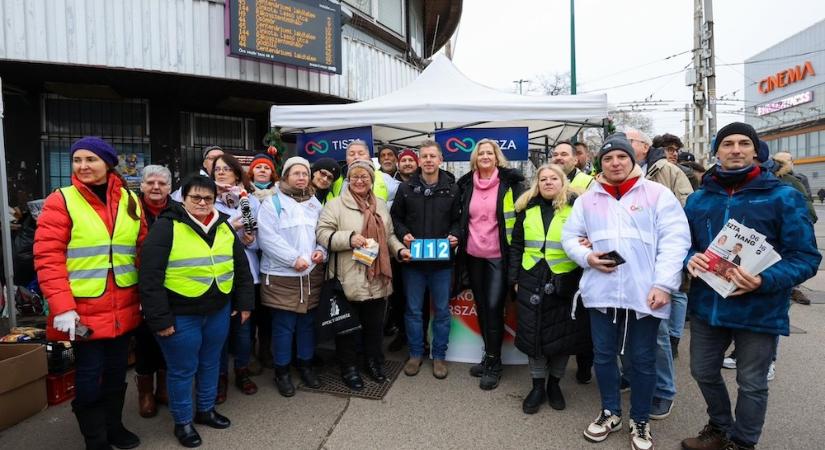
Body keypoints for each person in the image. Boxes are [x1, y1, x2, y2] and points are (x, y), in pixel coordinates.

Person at [681, 122, 820, 450]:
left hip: (760, 308)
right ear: (717, 151)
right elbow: (682, 245)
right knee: (702, 371)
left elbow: (805, 257)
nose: (736, 150)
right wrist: (689, 258)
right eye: (727, 143)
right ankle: (719, 428)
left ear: (756, 151)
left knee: (752, 383)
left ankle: (742, 443)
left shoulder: (783, 197)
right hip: (708, 305)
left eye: (744, 143)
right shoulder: (699, 200)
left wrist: (763, 280)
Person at [562, 134, 690, 450]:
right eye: (608, 159)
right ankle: (610, 412)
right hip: (602, 291)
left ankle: (641, 419)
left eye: (621, 157)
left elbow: (676, 241)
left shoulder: (657, 194)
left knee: (643, 359)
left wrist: (663, 284)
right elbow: (570, 237)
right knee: (604, 356)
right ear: (600, 164)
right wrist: (586, 257)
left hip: (645, 293)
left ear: (632, 160)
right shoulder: (587, 199)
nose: (615, 163)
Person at [34, 136, 147, 449]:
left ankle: (114, 427)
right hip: (81, 311)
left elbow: (140, 253)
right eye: (77, 160)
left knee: (115, 374)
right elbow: (48, 257)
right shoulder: (62, 200)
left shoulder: (130, 200)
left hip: (124, 307)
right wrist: (62, 307)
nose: (83, 166)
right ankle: (95, 439)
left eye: (91, 159)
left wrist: (146, 300)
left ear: (107, 163)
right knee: (87, 379)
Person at [139, 175, 254, 448]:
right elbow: (150, 277)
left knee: (211, 362)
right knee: (182, 370)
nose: (202, 203)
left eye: (208, 198)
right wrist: (159, 319)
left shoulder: (223, 226)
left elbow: (241, 268)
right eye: (196, 198)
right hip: (180, 314)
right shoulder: (166, 227)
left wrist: (245, 303)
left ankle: (205, 410)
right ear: (184, 199)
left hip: (218, 309)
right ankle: (183, 422)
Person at [316, 160, 410, 390]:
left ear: (371, 180)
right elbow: (322, 234)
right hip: (347, 277)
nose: (360, 181)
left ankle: (374, 363)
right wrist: (349, 238)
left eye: (365, 177)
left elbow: (388, 236)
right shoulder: (335, 206)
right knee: (347, 327)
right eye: (355, 177)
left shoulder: (380, 205)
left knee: (374, 326)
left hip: (377, 277)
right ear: (349, 179)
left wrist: (399, 250)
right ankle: (349, 368)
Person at [509, 164, 590, 413]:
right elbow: (517, 246)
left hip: (565, 280)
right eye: (543, 178)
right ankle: (537, 387)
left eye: (553, 178)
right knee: (534, 335)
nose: (548, 182)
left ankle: (554, 384)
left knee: (562, 337)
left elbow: (591, 240)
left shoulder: (577, 208)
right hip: (531, 277)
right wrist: (514, 278)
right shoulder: (526, 208)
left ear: (563, 181)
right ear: (537, 183)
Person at [627, 127, 694, 418]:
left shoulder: (665, 170)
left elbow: (685, 209)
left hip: (656, 261)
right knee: (626, 327)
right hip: (626, 263)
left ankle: (664, 390)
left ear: (642, 146)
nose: (620, 149)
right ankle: (630, 376)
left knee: (657, 332)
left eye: (627, 143)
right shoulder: (614, 172)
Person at [455, 138, 525, 388]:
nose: (485, 156)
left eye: (490, 153)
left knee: (495, 307)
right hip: (473, 256)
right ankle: (489, 356)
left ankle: (495, 363)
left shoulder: (511, 183)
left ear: (497, 157)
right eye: (481, 153)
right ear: (475, 158)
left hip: (498, 256)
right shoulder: (465, 185)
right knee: (482, 307)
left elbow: (521, 218)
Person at [391, 140, 461, 380]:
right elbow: (396, 219)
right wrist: (403, 234)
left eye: (433, 156)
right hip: (414, 263)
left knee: (441, 311)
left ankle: (439, 355)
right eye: (425, 156)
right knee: (413, 311)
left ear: (440, 160)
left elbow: (459, 221)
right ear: (419, 161)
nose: (429, 160)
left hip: (442, 264)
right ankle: (415, 353)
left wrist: (456, 235)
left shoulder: (452, 188)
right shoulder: (406, 188)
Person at [258, 157, 326, 397]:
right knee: (284, 326)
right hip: (282, 275)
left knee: (307, 324)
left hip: (309, 274)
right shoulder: (272, 202)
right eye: (296, 173)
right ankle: (282, 372)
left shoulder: (314, 203)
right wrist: (292, 259)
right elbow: (267, 238)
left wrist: (322, 250)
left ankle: (305, 365)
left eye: (305, 174)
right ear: (285, 176)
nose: (301, 178)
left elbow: (323, 232)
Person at [211, 154, 260, 400]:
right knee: (219, 331)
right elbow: (207, 234)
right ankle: (219, 377)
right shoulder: (206, 200)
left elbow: (260, 236)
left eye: (226, 169)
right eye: (217, 169)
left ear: (236, 174)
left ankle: (242, 370)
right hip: (218, 274)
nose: (221, 173)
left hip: (244, 274)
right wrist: (232, 226)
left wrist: (251, 241)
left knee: (243, 328)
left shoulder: (248, 200)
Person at [550, 140, 596, 384]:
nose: (559, 158)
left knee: (582, 317)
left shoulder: (588, 182)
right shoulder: (549, 180)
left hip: (582, 261)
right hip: (558, 261)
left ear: (576, 158)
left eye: (564, 154)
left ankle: (584, 364)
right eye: (555, 154)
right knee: (561, 316)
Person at [135, 165, 173, 418]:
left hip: (170, 283)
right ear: (141, 185)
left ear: (170, 188)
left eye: (161, 183)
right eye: (150, 182)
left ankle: (164, 386)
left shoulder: (177, 210)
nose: (156, 187)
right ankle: (145, 392)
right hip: (137, 283)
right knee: (144, 338)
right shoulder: (129, 209)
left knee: (168, 335)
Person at [327, 140, 400, 207]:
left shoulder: (385, 178)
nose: (356, 157)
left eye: (361, 153)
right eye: (351, 154)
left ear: (368, 157)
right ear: (346, 158)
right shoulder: (336, 181)